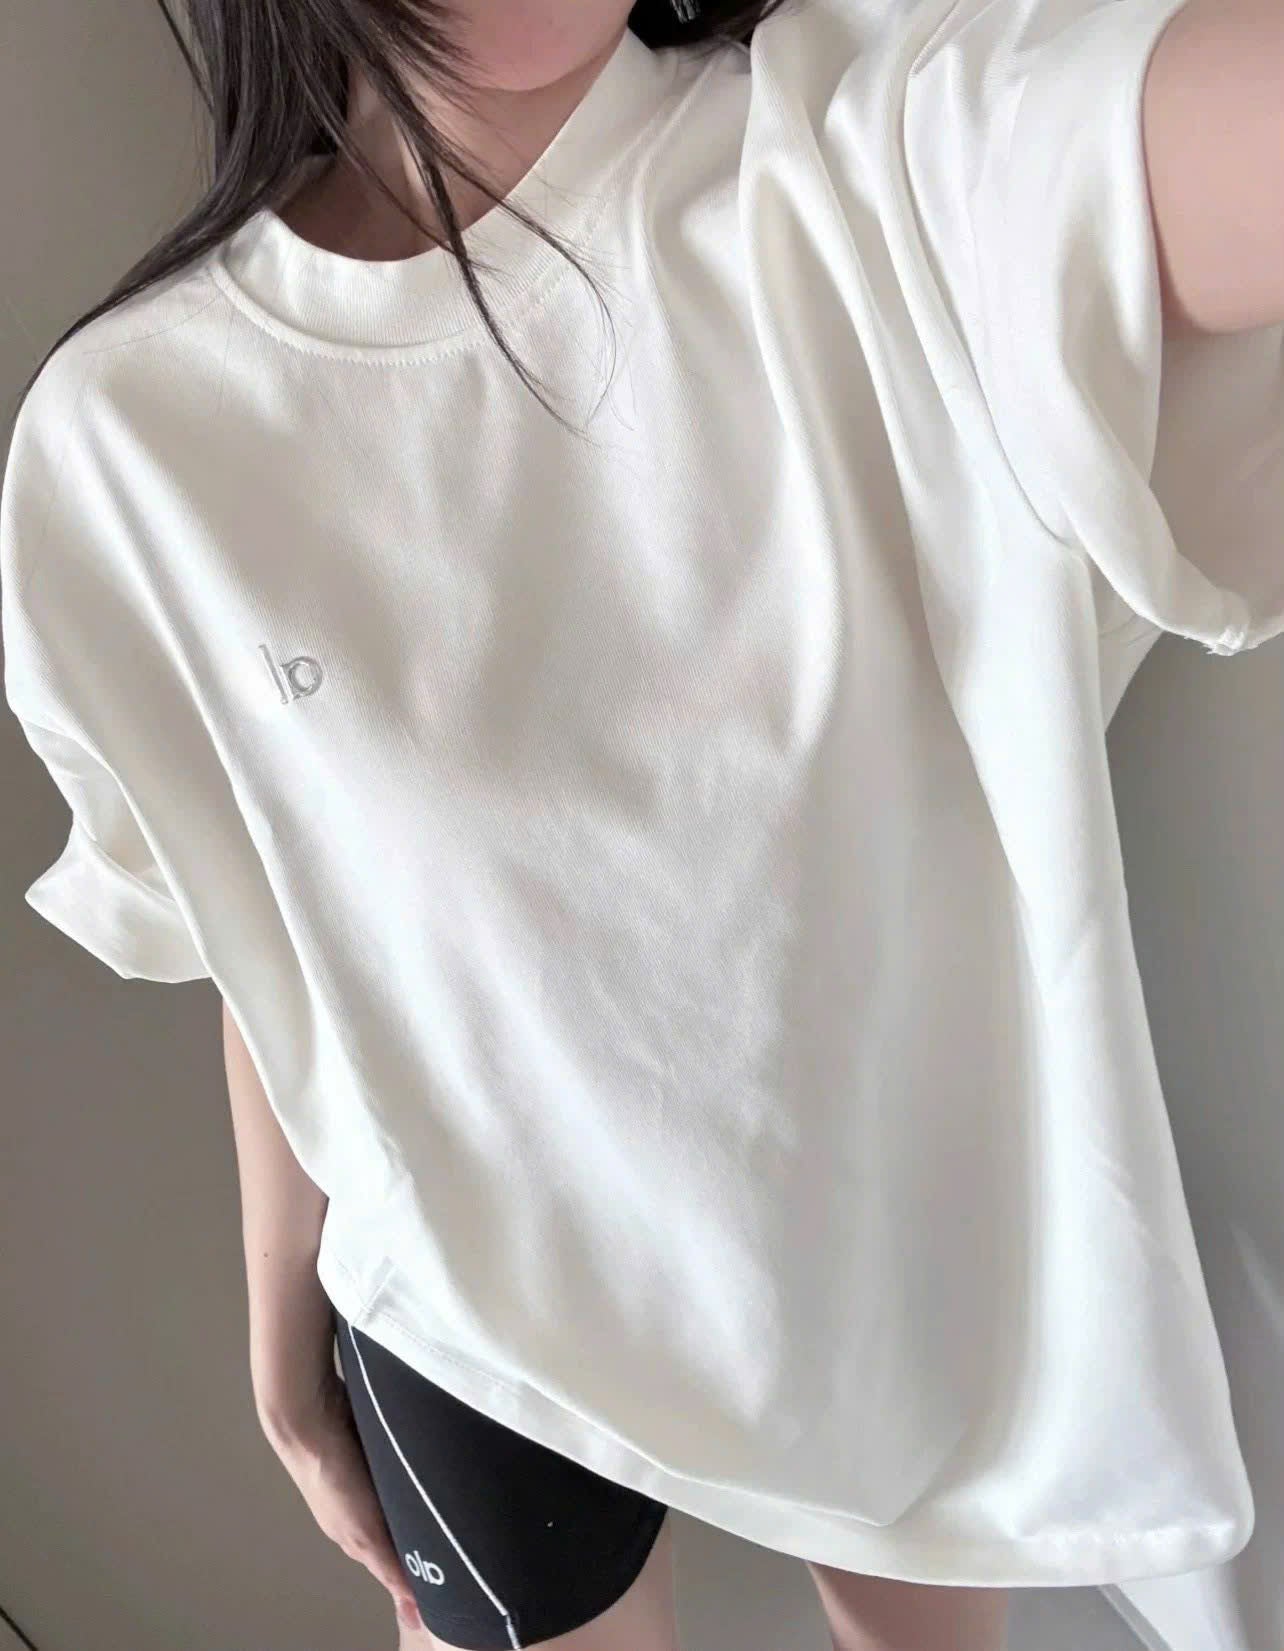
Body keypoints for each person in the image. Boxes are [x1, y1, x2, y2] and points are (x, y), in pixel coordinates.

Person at [3, 0, 1282, 1646]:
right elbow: (280, 912)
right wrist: (284, 1308)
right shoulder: (130, 442)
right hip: (462, 1314)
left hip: (876, 1281)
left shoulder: (879, 160)